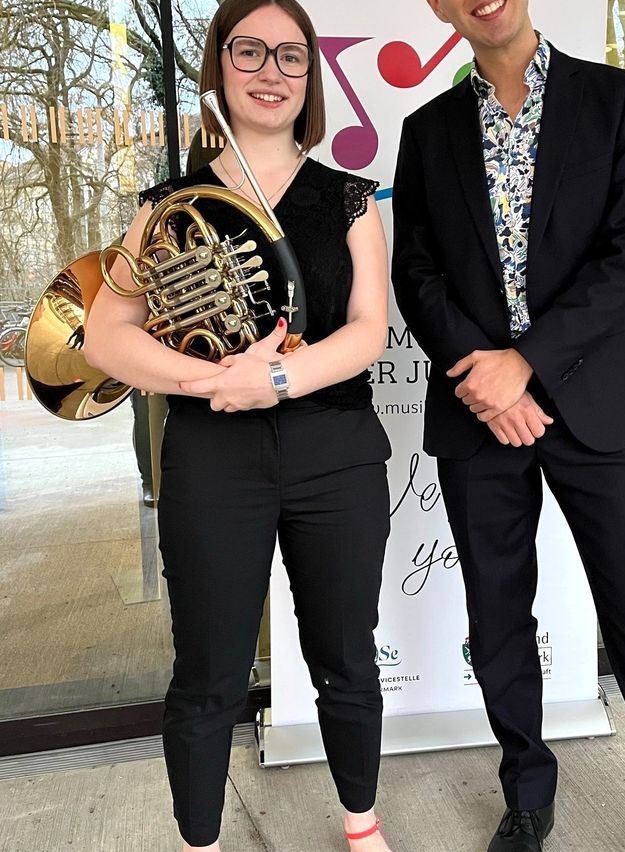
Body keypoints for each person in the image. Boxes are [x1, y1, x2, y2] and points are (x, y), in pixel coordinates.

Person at [391, 3, 625, 852]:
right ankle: (527, 794)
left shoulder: (617, 99)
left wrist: (527, 364)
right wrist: (489, 377)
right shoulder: (427, 129)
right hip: (479, 412)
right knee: (500, 618)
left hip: (599, 402)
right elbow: (416, 272)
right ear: (439, 7)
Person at [85, 1, 393, 850]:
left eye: (290, 56)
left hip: (335, 450)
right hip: (212, 451)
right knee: (208, 671)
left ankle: (361, 826)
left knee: (347, 658)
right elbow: (107, 335)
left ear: (310, 77)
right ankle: (201, 840)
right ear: (219, 65)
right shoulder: (167, 206)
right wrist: (213, 377)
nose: (270, 71)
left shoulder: (353, 200)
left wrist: (280, 376)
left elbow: (368, 330)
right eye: (249, 51)